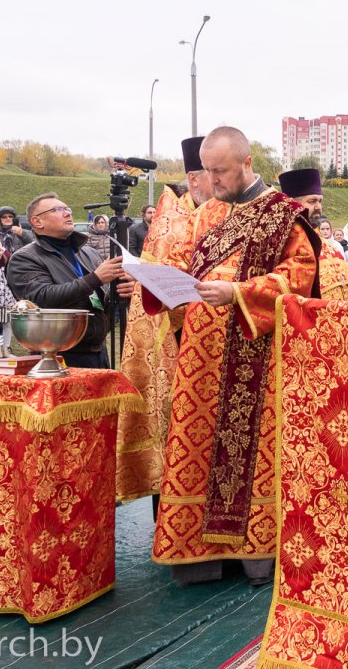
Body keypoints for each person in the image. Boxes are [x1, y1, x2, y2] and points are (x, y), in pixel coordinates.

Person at [142, 126, 321, 587]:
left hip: (256, 356)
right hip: (200, 360)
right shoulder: (206, 214)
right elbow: (183, 263)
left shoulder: (284, 214)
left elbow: (299, 277)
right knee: (198, 448)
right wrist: (153, 279)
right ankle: (198, 558)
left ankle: (256, 558)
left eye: (220, 171)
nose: (212, 180)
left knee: (251, 454)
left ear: (246, 163)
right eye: (207, 171)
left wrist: (239, 291)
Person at [116, 136, 214, 506]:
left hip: (222, 340)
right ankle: (169, 516)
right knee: (177, 434)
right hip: (177, 340)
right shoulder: (169, 222)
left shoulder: (231, 214)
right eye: (214, 174)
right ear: (194, 179)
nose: (222, 183)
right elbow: (153, 287)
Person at [7, 195, 130, 368]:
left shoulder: (88, 252)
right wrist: (95, 278)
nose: (67, 213)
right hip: (57, 355)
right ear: (37, 221)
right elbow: (42, 298)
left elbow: (101, 300)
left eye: (67, 209)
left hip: (97, 350)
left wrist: (124, 290)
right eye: (57, 210)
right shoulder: (24, 258)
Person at [279, 168, 348, 301]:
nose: (318, 207)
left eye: (320, 201)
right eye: (312, 201)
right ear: (292, 204)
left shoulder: (323, 241)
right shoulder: (281, 240)